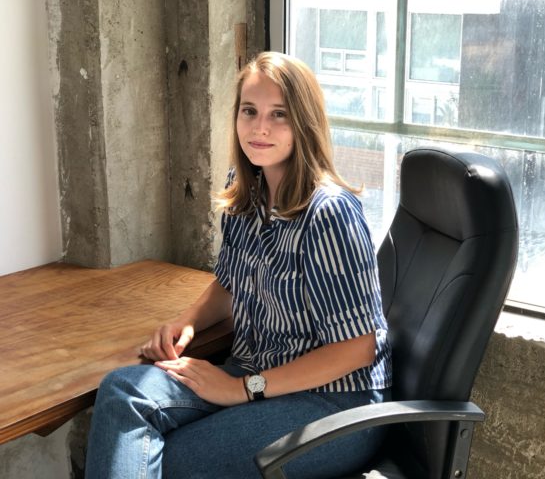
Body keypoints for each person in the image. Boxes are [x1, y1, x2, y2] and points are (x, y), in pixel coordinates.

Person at [85, 51, 392, 479]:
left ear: (304, 122)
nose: (259, 127)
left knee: (170, 459)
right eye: (250, 111)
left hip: (335, 405)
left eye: (278, 114)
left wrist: (242, 389)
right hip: (254, 373)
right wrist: (186, 323)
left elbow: (359, 347)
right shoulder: (243, 189)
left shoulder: (330, 213)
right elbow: (229, 283)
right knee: (123, 392)